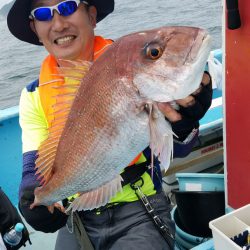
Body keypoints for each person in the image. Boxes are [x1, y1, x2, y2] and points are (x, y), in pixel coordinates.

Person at [7, 0, 213, 249]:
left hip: (140, 208)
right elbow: (34, 167)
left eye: (68, 7)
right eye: (43, 14)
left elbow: (178, 149)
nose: (59, 24)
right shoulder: (33, 96)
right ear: (35, 29)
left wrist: (184, 126)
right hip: (77, 215)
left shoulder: (129, 65)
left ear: (91, 15)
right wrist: (35, 197)